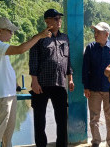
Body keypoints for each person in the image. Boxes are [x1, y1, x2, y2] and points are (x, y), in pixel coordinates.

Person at [0, 17, 51, 147]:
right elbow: (20, 49)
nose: (12, 33)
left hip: (8, 93)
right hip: (1, 94)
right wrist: (39, 36)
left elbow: (5, 68)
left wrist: (14, 83)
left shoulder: (0, 47)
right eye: (9, 30)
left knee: (8, 132)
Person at [29, 8, 74, 147]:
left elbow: (68, 59)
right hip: (41, 84)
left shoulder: (64, 38)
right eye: (55, 18)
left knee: (62, 119)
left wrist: (70, 78)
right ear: (47, 21)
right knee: (39, 119)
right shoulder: (38, 39)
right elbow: (33, 61)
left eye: (59, 18)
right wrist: (34, 82)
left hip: (59, 83)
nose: (58, 21)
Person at [82, 22, 110, 147]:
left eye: (98, 32)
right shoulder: (91, 48)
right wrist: (86, 87)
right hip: (93, 89)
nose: (95, 34)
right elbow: (85, 68)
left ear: (107, 34)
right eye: (95, 32)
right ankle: (96, 142)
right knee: (94, 118)